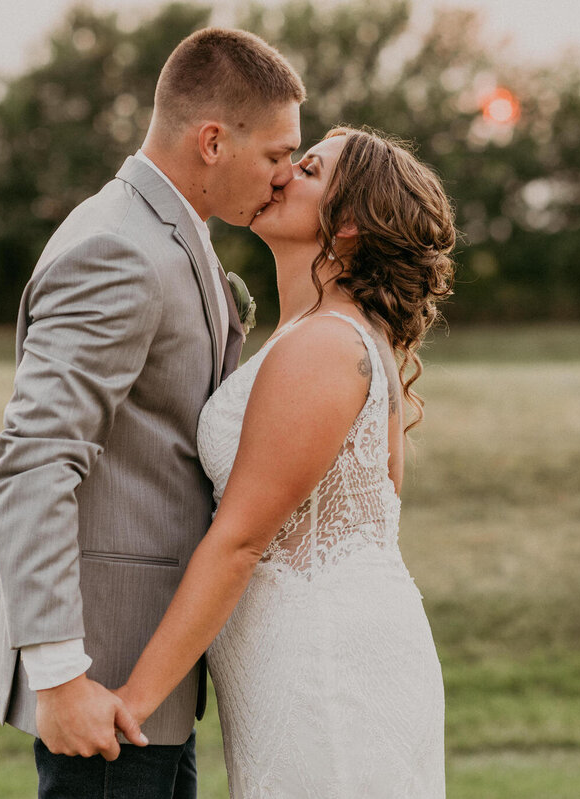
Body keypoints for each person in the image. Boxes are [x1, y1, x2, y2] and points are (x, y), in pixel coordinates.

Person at [0, 27, 304, 799]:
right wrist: (60, 675)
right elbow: (32, 460)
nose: (287, 175)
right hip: (104, 683)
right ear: (214, 141)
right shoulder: (119, 248)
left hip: (152, 681)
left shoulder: (168, 233)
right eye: (276, 155)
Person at [113, 126, 456, 797]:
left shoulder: (324, 345)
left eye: (305, 169)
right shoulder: (327, 335)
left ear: (350, 222)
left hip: (325, 664)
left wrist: (134, 701)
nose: (277, 175)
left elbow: (240, 539)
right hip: (308, 654)